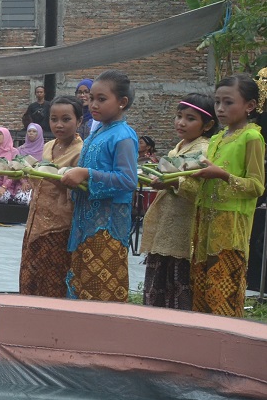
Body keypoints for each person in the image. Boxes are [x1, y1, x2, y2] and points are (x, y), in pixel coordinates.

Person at [181, 74, 265, 317]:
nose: (220, 108)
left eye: (228, 102)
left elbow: (257, 186)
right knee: (201, 286)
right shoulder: (217, 137)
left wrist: (223, 175)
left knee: (223, 290)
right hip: (205, 219)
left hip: (231, 223)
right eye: (217, 102)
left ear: (249, 106)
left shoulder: (252, 137)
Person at [60, 70, 138, 301]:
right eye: (92, 98)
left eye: (101, 99)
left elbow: (127, 180)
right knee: (83, 285)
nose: (93, 104)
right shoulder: (99, 132)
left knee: (102, 290)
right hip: (85, 224)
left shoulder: (123, 135)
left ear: (122, 102)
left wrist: (86, 173)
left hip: (107, 228)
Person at [140, 94, 216, 309]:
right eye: (179, 116)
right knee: (160, 279)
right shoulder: (179, 147)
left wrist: (171, 183)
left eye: (190, 118)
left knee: (177, 282)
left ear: (208, 125)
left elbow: (197, 188)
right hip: (166, 222)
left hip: (183, 226)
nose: (181, 122)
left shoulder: (204, 149)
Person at [19, 97, 84, 297]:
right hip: (35, 221)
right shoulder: (48, 146)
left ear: (79, 121)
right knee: (30, 277)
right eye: (54, 119)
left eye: (66, 119)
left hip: (59, 225)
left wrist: (60, 180)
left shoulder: (81, 151)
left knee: (53, 280)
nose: (59, 125)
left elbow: (81, 189)